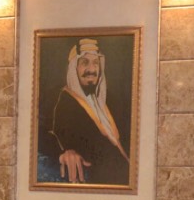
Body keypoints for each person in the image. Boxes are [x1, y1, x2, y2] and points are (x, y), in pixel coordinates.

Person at [38, 38, 131, 186]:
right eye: (84, 63)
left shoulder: (110, 101)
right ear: (74, 68)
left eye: (96, 63)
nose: (91, 69)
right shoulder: (59, 98)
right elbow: (39, 132)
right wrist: (62, 153)